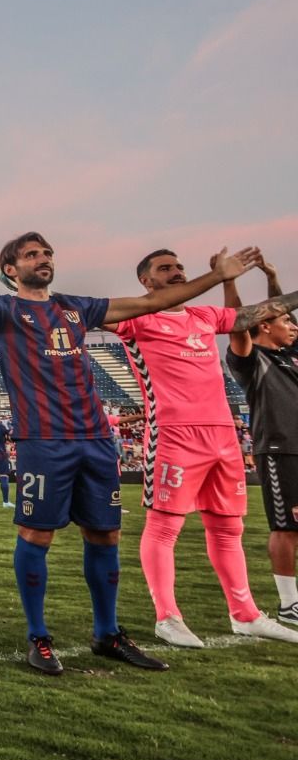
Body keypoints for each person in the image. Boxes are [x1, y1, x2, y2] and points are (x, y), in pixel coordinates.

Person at [0, 233, 255, 675]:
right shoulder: (4, 310)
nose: (44, 259)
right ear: (11, 269)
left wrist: (216, 277)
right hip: (42, 440)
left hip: (95, 439)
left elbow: (147, 304)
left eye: (48, 253)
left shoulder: (76, 307)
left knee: (105, 535)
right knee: (37, 536)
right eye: (32, 254)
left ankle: (107, 633)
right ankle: (38, 636)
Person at [116, 249, 298, 646]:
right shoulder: (136, 318)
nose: (177, 272)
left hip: (222, 435)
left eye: (180, 266)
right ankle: (167, 616)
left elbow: (244, 320)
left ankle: (245, 614)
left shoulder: (203, 317)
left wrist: (228, 280)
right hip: (174, 433)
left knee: (228, 528)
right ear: (146, 282)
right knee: (164, 526)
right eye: (165, 268)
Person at [225, 255, 298, 626]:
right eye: (286, 321)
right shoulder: (251, 361)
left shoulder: (290, 355)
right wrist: (229, 281)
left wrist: (273, 277)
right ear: (265, 327)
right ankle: (289, 603)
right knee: (287, 527)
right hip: (280, 448)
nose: (294, 326)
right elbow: (238, 322)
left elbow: (279, 310)